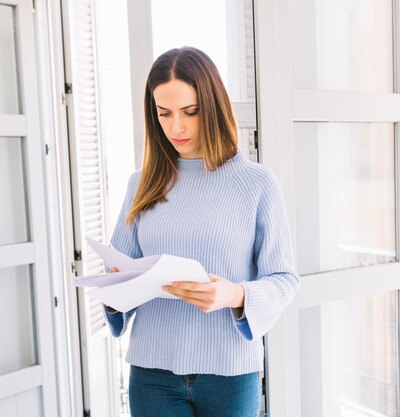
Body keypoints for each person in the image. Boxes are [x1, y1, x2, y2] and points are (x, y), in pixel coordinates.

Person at [103, 46, 300, 417]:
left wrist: (235, 295)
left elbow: (285, 278)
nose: (176, 127)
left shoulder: (256, 183)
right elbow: (117, 277)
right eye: (164, 114)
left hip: (230, 374)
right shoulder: (141, 184)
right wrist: (114, 292)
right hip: (152, 375)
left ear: (212, 107)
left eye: (190, 112)